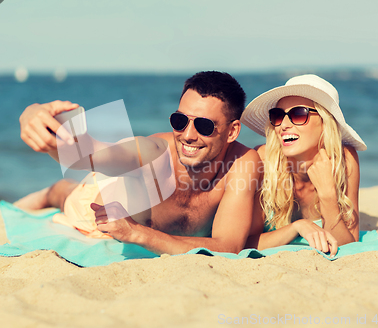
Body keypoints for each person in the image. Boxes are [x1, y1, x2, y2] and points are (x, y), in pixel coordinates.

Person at [16, 71, 261, 255]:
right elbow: (88, 154)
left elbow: (228, 246)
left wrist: (137, 233)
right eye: (179, 120)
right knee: (66, 193)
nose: (187, 135)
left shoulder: (243, 162)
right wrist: (35, 116)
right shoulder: (151, 153)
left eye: (204, 125)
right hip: (93, 206)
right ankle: (52, 192)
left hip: (126, 201)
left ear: (232, 131)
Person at [240, 74, 367, 257]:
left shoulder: (344, 161)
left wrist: (328, 196)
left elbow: (349, 246)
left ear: (325, 123)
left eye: (298, 114)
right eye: (277, 116)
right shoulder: (263, 160)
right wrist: (297, 227)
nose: (283, 125)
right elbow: (244, 242)